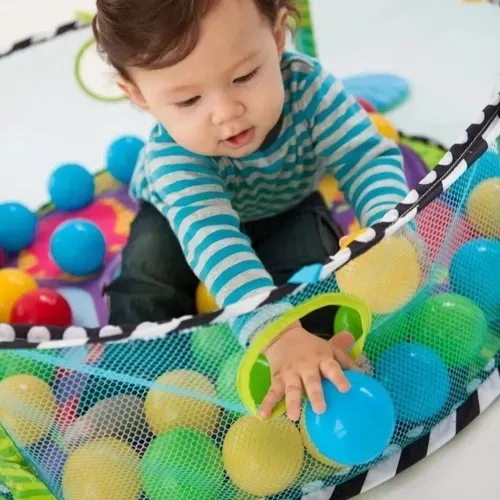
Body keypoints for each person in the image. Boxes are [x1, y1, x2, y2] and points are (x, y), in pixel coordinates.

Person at [93, 0, 410, 421]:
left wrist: (390, 230)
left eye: (244, 76)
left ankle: (316, 380)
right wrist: (274, 332)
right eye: (188, 100)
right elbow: (214, 240)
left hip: (286, 203)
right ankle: (123, 387)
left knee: (316, 285)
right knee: (148, 280)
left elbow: (365, 159)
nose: (226, 113)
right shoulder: (174, 157)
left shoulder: (309, 89)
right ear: (139, 95)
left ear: (277, 37)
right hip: (178, 220)